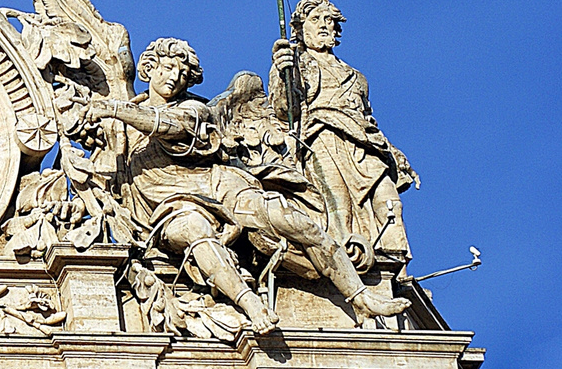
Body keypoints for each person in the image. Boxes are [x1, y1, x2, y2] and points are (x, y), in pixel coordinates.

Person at [83, 38, 410, 332]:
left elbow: (173, 126)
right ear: (150, 68)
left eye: (183, 74)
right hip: (168, 205)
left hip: (216, 185)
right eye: (168, 68)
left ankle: (360, 294)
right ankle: (252, 307)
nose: (174, 78)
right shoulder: (122, 127)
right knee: (195, 230)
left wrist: (113, 109)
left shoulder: (192, 109)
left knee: (288, 219)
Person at [270, 0, 414, 270]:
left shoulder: (356, 76)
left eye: (329, 21)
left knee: (390, 203)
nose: (324, 26)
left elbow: (367, 118)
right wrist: (283, 70)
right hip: (322, 138)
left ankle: (397, 273)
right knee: (338, 207)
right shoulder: (294, 64)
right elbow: (283, 109)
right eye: (315, 20)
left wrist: (394, 154)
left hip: (364, 145)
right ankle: (348, 266)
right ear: (299, 30)